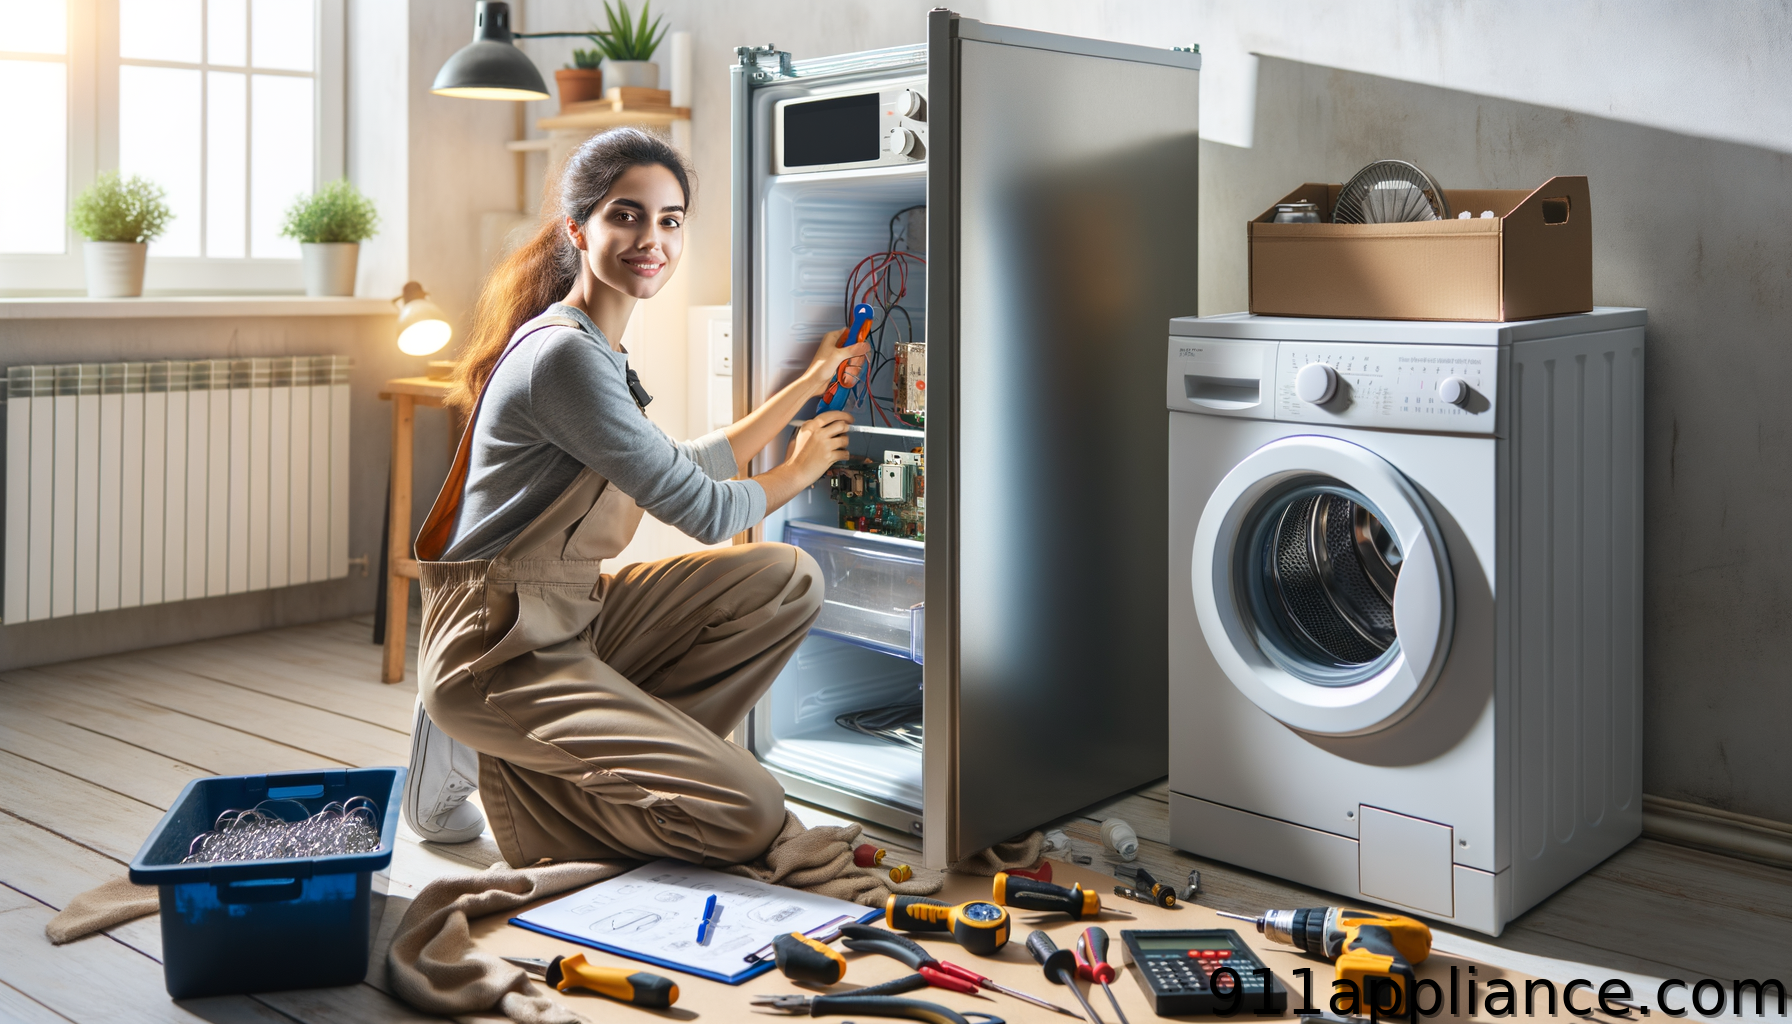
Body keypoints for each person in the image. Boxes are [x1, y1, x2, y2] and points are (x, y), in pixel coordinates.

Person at [402, 128, 869, 867]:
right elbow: (705, 510)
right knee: (754, 813)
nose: (651, 238)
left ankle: (584, 761)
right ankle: (515, 768)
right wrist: (800, 471)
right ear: (577, 230)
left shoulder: (596, 347)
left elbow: (677, 465)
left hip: (568, 617)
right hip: (497, 647)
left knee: (786, 579)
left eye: (670, 220)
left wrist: (804, 391)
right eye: (626, 215)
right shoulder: (563, 357)